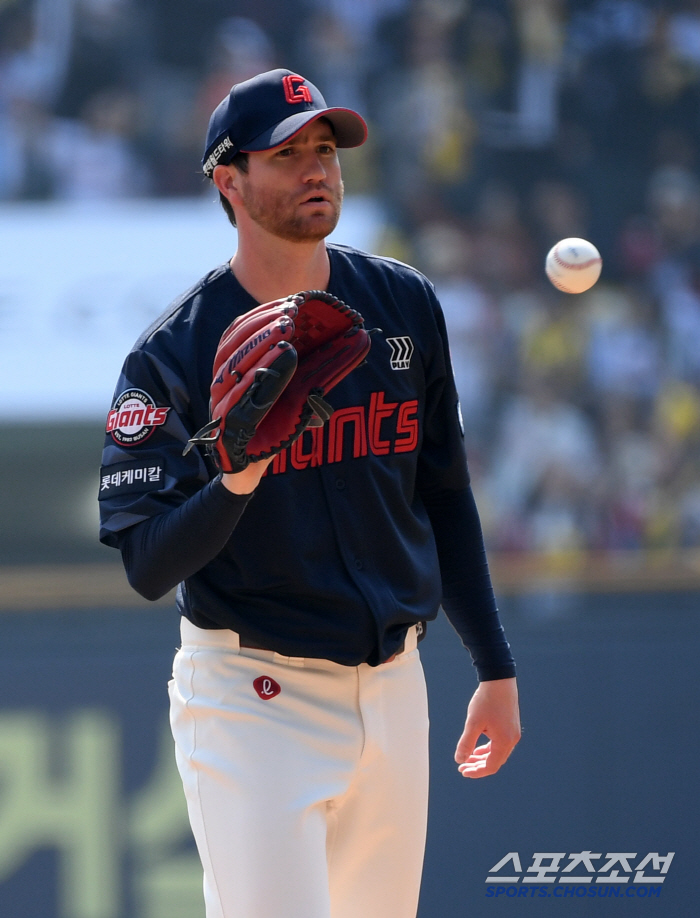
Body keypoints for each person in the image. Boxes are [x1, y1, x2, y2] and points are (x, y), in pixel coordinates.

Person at [98, 68, 521, 918]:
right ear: (229, 180)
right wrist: (238, 474)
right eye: (287, 153)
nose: (317, 169)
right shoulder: (171, 356)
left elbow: (443, 495)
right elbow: (148, 564)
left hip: (396, 686)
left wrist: (494, 666)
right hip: (252, 697)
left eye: (325, 149)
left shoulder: (401, 304)